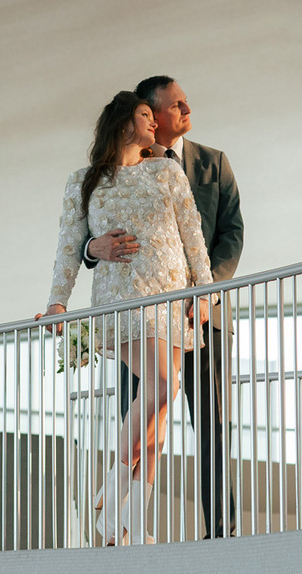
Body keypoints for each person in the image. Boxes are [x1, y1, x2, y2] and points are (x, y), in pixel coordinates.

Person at [44, 90, 212, 547]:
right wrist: (58, 300)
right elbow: (68, 241)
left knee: (160, 411)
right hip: (122, 296)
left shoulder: (166, 171)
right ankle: (114, 487)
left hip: (171, 295)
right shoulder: (84, 181)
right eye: (144, 114)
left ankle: (131, 523)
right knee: (163, 386)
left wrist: (204, 289)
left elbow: (192, 233)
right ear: (122, 124)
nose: (154, 121)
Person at [84, 77, 242, 538]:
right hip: (139, 312)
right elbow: (84, 242)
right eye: (174, 104)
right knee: (149, 413)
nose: (186, 107)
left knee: (211, 426)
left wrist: (206, 293)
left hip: (202, 317)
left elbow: (229, 233)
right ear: (147, 113)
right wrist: (94, 249)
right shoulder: (114, 175)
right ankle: (124, 522)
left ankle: (221, 534)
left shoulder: (212, 163)